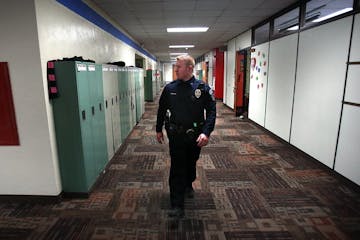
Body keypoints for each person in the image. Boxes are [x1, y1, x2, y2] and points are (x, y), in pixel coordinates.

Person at [156, 55, 216, 218]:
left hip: (195, 136)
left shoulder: (202, 88)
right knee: (177, 167)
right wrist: (158, 129)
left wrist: (206, 132)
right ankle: (177, 205)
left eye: (178, 67)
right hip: (176, 135)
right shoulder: (170, 88)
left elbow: (211, 112)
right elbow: (161, 110)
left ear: (189, 68)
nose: (175, 70)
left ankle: (189, 182)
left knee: (191, 162)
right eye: (175, 67)